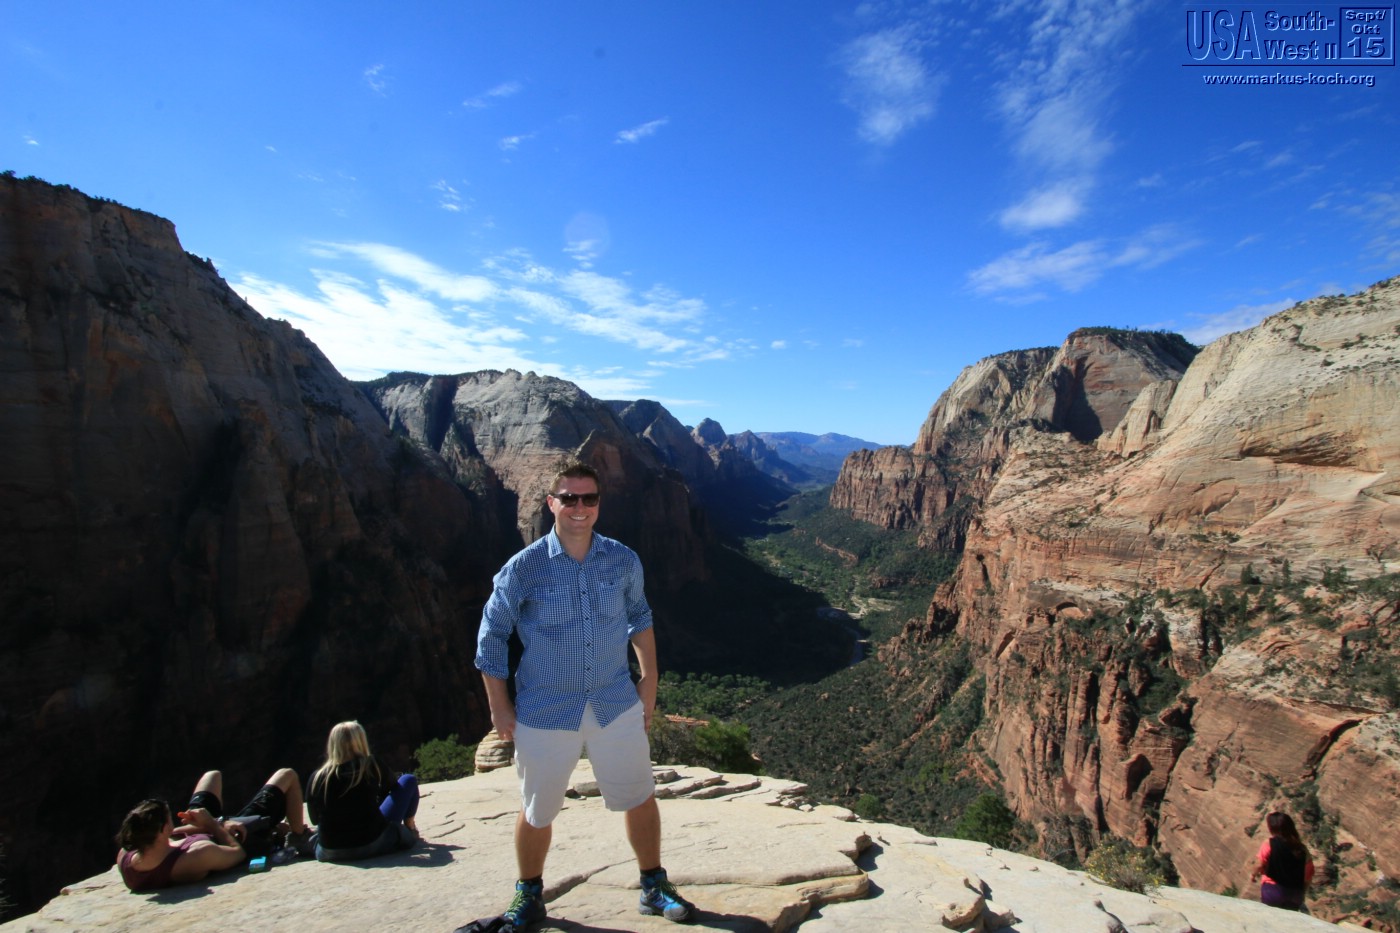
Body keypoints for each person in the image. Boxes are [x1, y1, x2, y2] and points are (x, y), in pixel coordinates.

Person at [475, 461, 695, 929]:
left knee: (640, 795)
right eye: (569, 498)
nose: (579, 507)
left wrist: (649, 679)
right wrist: (499, 705)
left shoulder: (622, 559)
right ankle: (528, 895)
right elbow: (491, 635)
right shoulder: (524, 567)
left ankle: (653, 885)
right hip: (545, 706)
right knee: (537, 810)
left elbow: (640, 616)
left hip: (615, 700)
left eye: (588, 498)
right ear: (551, 503)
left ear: (599, 503)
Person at [115, 768, 311, 892]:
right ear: (164, 829)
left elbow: (168, 839)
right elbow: (237, 853)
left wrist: (203, 824)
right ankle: (298, 835)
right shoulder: (196, 855)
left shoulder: (126, 856)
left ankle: (278, 828)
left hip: (212, 827)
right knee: (287, 775)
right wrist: (213, 824)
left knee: (212, 775)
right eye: (168, 819)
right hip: (236, 835)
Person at [306, 720, 420, 862]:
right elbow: (393, 789)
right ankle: (410, 828)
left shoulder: (317, 777)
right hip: (370, 843)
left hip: (329, 850)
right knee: (408, 780)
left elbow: (314, 819)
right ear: (360, 740)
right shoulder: (371, 764)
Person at [1250, 811, 1314, 910]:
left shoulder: (1269, 844)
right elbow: (1309, 875)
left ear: (1272, 828)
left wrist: (1253, 875)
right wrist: (1302, 892)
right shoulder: (1302, 849)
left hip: (1273, 891)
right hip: (1295, 895)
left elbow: (1259, 864)